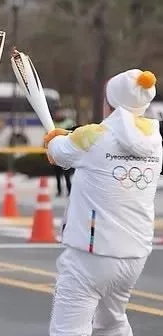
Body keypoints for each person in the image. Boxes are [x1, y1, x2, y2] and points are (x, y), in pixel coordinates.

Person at [44, 69, 162, 336]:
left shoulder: (93, 136)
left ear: (110, 101)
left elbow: (58, 153)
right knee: (111, 323)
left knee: (68, 329)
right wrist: (66, 140)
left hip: (92, 254)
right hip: (135, 255)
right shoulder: (155, 141)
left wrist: (55, 139)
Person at [52, 110, 76, 196]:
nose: (57, 115)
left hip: (66, 152)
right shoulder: (52, 123)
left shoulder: (69, 122)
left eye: (59, 113)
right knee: (57, 175)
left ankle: (69, 191)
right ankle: (59, 191)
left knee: (67, 175)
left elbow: (74, 133)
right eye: (56, 113)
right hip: (56, 152)